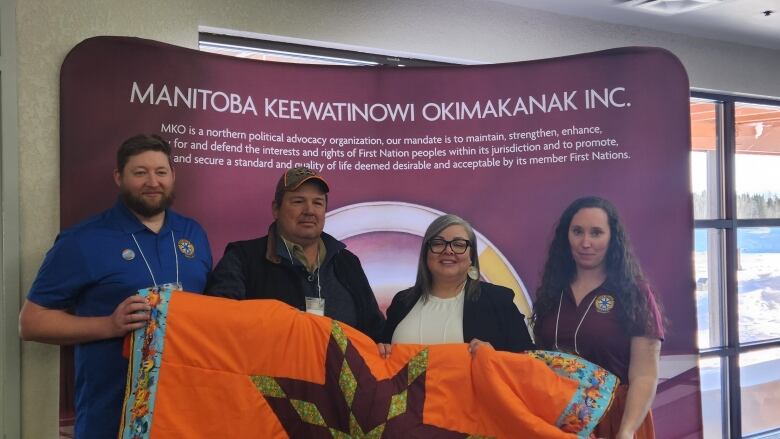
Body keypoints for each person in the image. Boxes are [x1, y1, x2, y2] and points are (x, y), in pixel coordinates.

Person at [18, 134, 213, 438]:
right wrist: (109, 325)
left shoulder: (194, 234)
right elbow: (31, 323)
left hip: (184, 414)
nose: (152, 181)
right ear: (118, 177)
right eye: (140, 172)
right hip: (108, 419)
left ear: (173, 175)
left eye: (161, 172)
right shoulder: (82, 240)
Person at [532, 196, 664, 439]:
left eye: (596, 233)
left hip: (616, 419)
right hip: (556, 419)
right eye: (577, 232)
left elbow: (645, 375)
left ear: (612, 239)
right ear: (566, 237)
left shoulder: (634, 293)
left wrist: (626, 431)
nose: (585, 242)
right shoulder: (552, 290)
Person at [206, 166, 385, 341]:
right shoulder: (242, 258)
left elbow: (375, 333)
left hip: (337, 372)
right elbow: (219, 326)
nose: (309, 210)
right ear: (276, 209)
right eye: (298, 201)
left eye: (318, 202)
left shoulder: (348, 262)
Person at [379, 214, 534, 357]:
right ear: (426, 253)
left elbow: (528, 361)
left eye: (459, 244)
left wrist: (495, 357)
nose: (448, 250)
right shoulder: (401, 302)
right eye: (438, 243)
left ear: (471, 256)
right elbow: (379, 361)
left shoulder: (498, 301)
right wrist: (380, 350)